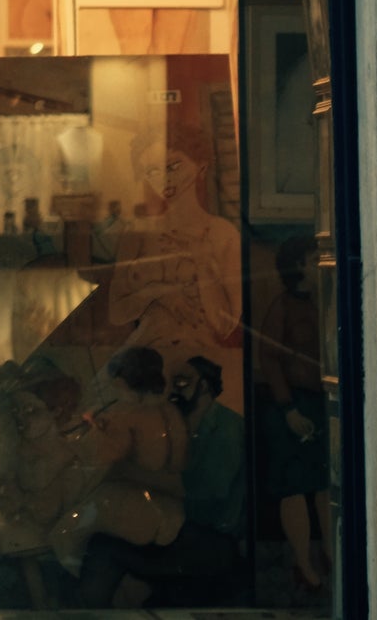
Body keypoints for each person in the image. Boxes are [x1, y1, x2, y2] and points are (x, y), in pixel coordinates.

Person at [77, 354, 248, 604]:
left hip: (210, 541)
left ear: (204, 386)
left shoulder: (227, 430)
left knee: (105, 548)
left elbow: (206, 496)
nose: (171, 391)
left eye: (181, 383)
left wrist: (133, 476)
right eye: (168, 383)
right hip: (178, 528)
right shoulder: (177, 421)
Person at [47, 346, 188, 575]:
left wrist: (90, 431)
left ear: (123, 380)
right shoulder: (171, 411)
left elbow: (97, 458)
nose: (113, 386)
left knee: (62, 536)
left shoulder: (126, 413)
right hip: (174, 509)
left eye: (116, 380)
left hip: (138, 506)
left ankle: (82, 594)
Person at [257, 234, 331, 591]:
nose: (320, 264)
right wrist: (287, 408)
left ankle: (330, 554)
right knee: (294, 485)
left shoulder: (327, 303)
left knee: (321, 485)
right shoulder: (284, 306)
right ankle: (303, 563)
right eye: (314, 258)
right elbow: (269, 358)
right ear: (300, 265)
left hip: (320, 403)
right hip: (291, 404)